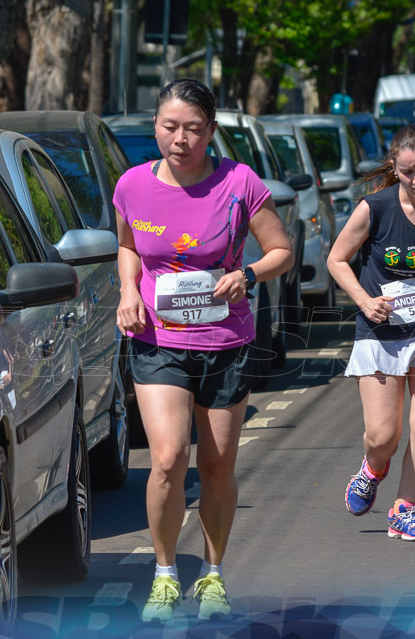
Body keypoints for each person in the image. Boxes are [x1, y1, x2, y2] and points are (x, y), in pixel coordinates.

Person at [113, 79, 293, 623]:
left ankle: (214, 575)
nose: (181, 139)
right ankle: (166, 575)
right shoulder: (131, 186)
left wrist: (247, 274)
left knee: (216, 466)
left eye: (193, 128)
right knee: (167, 457)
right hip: (158, 339)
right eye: (170, 127)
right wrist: (126, 291)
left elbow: (281, 250)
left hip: (225, 342)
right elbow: (126, 244)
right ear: (156, 128)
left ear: (211, 131)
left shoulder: (239, 182)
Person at [327, 123, 415, 542]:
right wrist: (363, 300)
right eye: (408, 171)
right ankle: (373, 468)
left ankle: (404, 510)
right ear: (395, 167)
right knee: (384, 436)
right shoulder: (375, 207)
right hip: (381, 331)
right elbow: (337, 259)